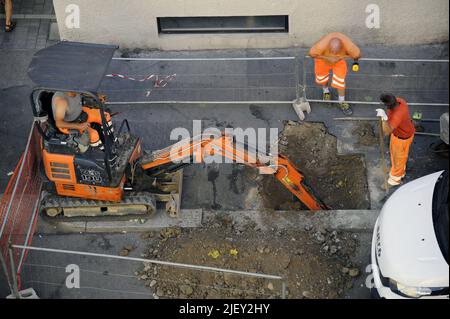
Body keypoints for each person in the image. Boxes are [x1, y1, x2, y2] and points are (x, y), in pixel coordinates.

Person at [309, 32, 361, 116]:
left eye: (336, 51)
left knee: (340, 81)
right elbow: (311, 54)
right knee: (322, 78)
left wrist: (341, 58)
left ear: (342, 47)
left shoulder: (349, 46)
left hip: (339, 61)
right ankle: (326, 91)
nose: (333, 53)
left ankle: (341, 101)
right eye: (332, 51)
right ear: (328, 46)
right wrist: (327, 58)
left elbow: (357, 55)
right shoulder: (321, 46)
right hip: (322, 60)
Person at [376, 93, 416, 187]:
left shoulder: (397, 116)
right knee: (398, 156)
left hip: (401, 139)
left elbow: (386, 131)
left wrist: (384, 119)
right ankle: (400, 170)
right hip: (403, 133)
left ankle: (395, 179)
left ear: (388, 105)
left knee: (398, 158)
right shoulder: (400, 101)